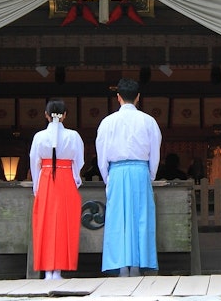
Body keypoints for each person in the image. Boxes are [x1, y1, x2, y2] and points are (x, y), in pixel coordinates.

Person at [95, 78, 162, 277]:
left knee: (118, 219)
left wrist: (108, 177)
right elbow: (155, 152)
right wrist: (150, 174)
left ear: (118, 97)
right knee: (141, 218)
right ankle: (138, 265)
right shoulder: (148, 121)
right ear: (138, 97)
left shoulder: (108, 122)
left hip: (116, 171)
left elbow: (101, 152)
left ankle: (122, 266)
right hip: (141, 170)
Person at [29, 98, 85, 280]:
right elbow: (79, 161)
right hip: (66, 178)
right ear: (65, 115)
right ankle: (58, 270)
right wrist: (75, 179)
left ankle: (47, 271)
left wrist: (37, 186)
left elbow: (34, 162)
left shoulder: (39, 137)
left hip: (46, 179)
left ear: (46, 115)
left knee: (45, 224)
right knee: (63, 224)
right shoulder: (73, 136)